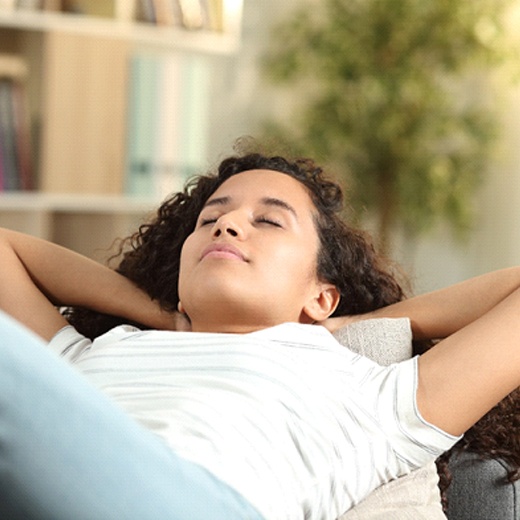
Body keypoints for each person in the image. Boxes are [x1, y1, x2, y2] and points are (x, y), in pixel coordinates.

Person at [0, 152, 519, 520]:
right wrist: (159, 315)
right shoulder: (102, 354)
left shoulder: (367, 394)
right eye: (210, 218)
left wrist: (356, 324)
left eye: (269, 221)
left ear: (321, 295)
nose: (227, 226)